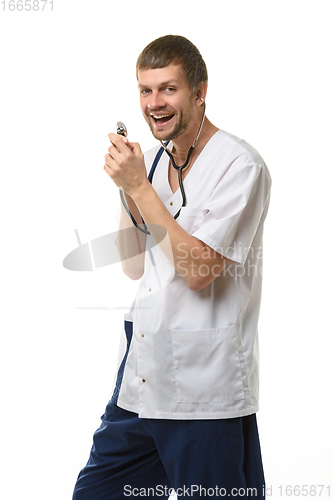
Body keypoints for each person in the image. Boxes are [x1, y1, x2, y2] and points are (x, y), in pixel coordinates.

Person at [72, 35, 272, 500]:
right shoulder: (157, 163)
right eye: (145, 90)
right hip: (141, 371)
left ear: (200, 92)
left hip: (204, 385)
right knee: (96, 493)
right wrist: (127, 187)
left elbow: (199, 271)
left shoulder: (241, 167)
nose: (154, 104)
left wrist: (140, 188)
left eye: (168, 89)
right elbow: (132, 266)